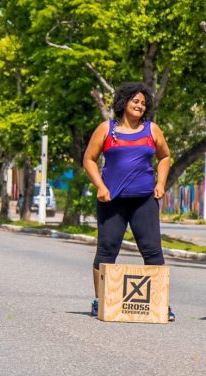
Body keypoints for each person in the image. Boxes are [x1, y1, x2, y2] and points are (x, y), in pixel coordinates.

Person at [83, 82, 174, 321]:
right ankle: (99, 301)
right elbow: (89, 160)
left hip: (144, 200)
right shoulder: (107, 129)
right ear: (124, 103)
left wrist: (161, 184)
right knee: (106, 250)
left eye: (143, 103)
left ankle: (161, 303)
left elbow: (165, 156)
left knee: (153, 251)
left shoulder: (152, 130)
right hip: (112, 200)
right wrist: (100, 187)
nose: (140, 106)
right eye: (136, 101)